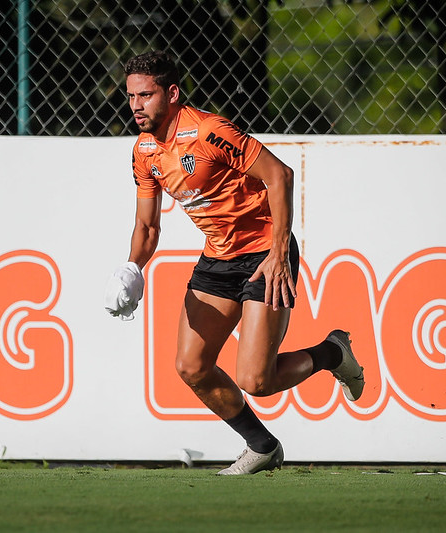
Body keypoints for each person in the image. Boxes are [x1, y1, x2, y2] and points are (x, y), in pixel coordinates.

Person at [104, 50, 365, 475]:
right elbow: (148, 227)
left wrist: (279, 253)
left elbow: (279, 175)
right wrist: (132, 267)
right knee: (191, 366)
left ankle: (332, 353)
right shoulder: (144, 150)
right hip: (218, 259)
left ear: (172, 94)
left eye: (146, 95)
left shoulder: (209, 131)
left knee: (256, 381)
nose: (136, 105)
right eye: (131, 96)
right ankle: (262, 446)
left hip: (265, 254)